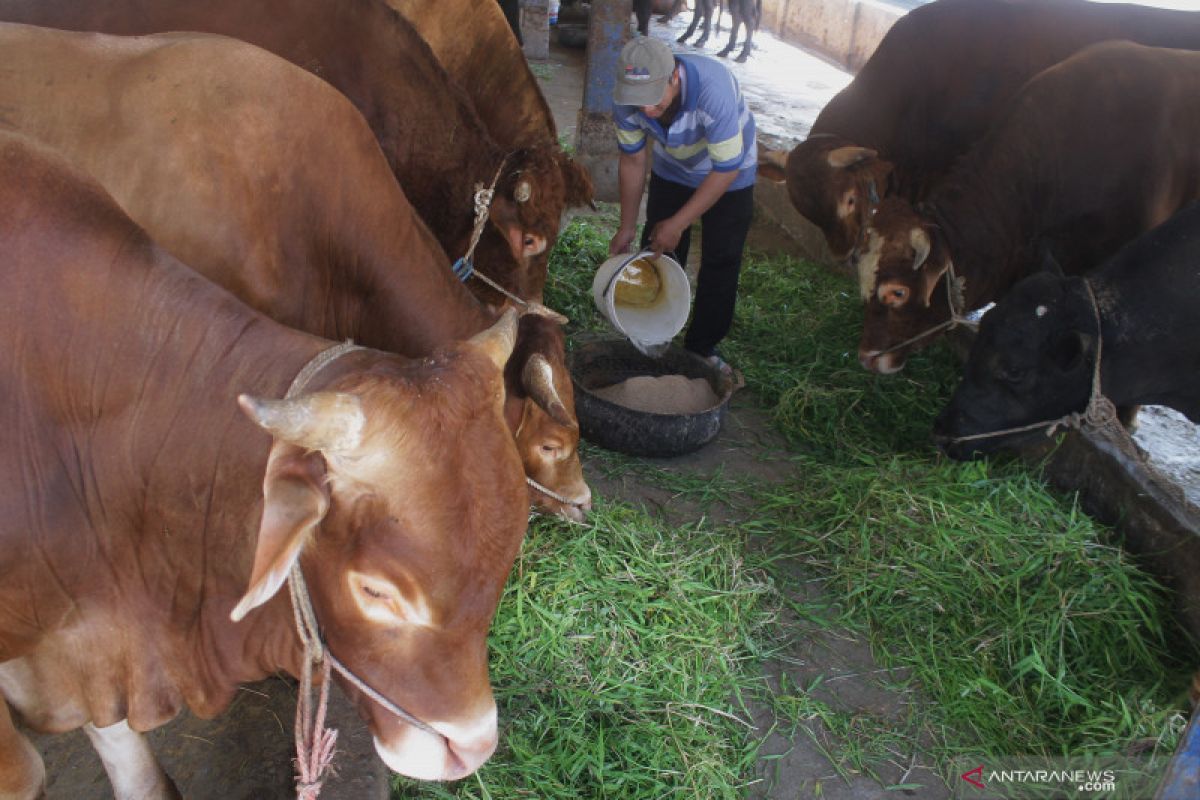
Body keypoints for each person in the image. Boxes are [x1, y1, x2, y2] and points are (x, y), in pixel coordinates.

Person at [609, 35, 757, 374]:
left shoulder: (712, 89)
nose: (645, 109)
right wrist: (626, 225)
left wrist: (678, 222)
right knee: (658, 247)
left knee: (722, 257)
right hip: (673, 169)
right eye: (637, 100)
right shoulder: (626, 101)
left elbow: (726, 168)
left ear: (674, 77)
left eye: (653, 98)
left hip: (732, 174)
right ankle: (654, 331)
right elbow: (632, 161)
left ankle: (702, 347)